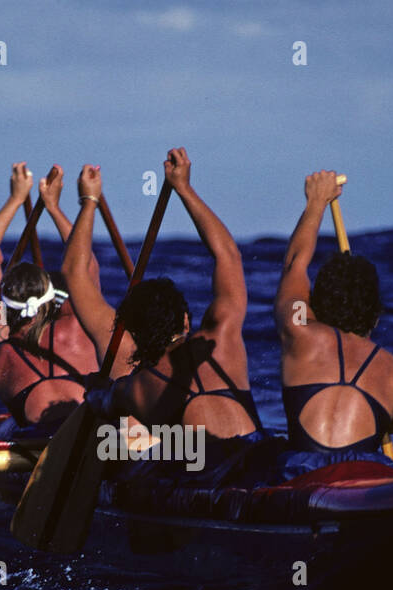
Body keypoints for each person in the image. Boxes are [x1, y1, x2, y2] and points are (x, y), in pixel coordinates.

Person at [63, 148, 265, 482]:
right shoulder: (223, 337)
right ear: (186, 319)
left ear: (132, 335)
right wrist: (184, 187)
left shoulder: (136, 388)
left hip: (208, 478)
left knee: (130, 453)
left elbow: (74, 272)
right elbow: (228, 255)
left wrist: (88, 202)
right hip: (263, 464)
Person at [273, 170, 393, 478]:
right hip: (367, 479)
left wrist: (316, 203)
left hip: (300, 479)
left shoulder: (298, 333)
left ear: (316, 306)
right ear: (376, 314)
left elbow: (294, 264)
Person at [0, 163, 103, 433]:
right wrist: (57, 206)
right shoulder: (79, 325)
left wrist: (17, 198)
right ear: (51, 297)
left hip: (39, 444)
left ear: (5, 304)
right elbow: (85, 266)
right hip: (93, 437)